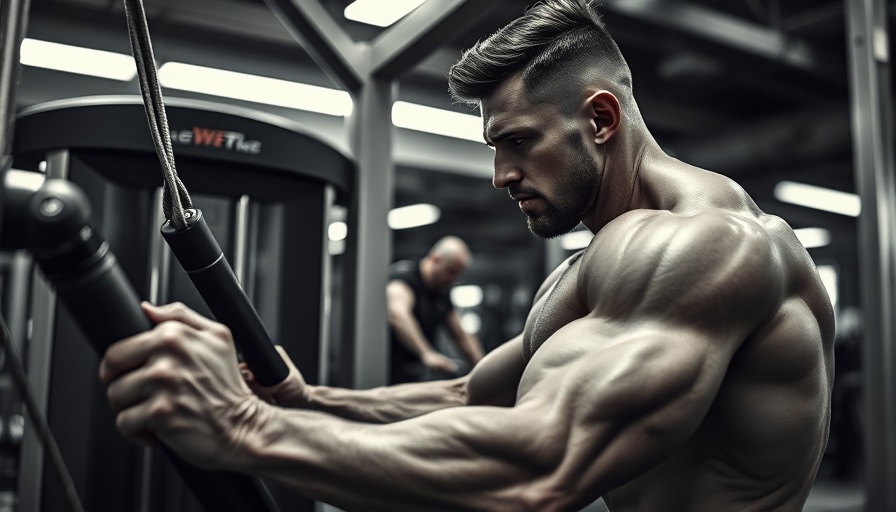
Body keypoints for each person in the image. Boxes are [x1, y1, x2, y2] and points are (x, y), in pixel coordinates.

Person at [99, 1, 835, 510]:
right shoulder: (599, 263)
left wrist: (243, 428)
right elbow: (470, 395)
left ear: (600, 118)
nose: (501, 175)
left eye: (519, 141)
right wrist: (307, 400)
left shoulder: (710, 246)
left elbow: (546, 464)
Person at [387, 236, 484, 384]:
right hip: (386, 369)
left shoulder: (441, 292)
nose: (454, 279)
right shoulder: (404, 278)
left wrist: (483, 367)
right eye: (451, 271)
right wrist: (426, 353)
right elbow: (397, 315)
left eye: (458, 273)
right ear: (435, 259)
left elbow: (460, 335)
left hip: (414, 375)